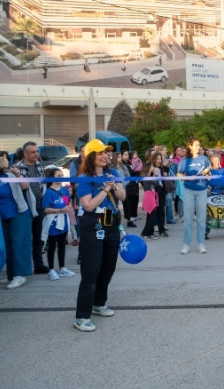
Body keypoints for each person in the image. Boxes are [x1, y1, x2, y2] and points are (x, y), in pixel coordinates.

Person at [73, 139, 126, 332]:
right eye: (100, 153)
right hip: (93, 225)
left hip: (111, 224)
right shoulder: (84, 179)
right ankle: (81, 317)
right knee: (91, 270)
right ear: (90, 157)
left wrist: (115, 186)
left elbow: (123, 197)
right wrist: (105, 190)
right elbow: (88, 205)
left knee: (108, 267)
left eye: (106, 152)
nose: (105, 156)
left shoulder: (112, 174)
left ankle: (99, 303)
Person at [0, 156, 31, 290]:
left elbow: (25, 186)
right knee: (7, 246)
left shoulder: (9, 175)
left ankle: (20, 275)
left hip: (17, 213)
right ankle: (11, 274)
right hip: (0, 217)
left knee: (18, 245)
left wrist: (18, 175)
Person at [14, 141, 50, 274]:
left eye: (37, 151)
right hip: (25, 208)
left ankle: (39, 265)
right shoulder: (17, 168)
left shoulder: (40, 166)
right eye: (32, 152)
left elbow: (43, 185)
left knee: (38, 238)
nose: (36, 154)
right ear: (25, 153)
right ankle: (23, 267)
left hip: (39, 207)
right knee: (23, 238)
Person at [41, 168, 76, 281]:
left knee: (62, 245)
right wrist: (60, 210)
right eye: (58, 175)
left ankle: (62, 268)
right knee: (52, 246)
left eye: (62, 175)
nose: (61, 177)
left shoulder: (64, 190)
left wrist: (68, 206)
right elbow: (46, 209)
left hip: (63, 220)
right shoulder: (49, 192)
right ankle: (51, 269)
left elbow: (68, 202)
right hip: (53, 221)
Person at [177, 138, 211, 255]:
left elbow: (208, 173)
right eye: (196, 145)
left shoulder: (204, 159)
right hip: (189, 191)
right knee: (188, 219)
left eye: (199, 145)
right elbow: (179, 175)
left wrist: (207, 176)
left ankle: (201, 243)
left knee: (201, 219)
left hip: (202, 191)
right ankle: (186, 244)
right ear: (190, 146)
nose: (198, 147)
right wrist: (188, 178)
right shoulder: (184, 160)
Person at [206, 154, 224, 238]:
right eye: (215, 161)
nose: (217, 162)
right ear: (212, 162)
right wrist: (206, 188)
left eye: (218, 160)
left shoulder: (223, 171)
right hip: (212, 193)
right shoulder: (209, 172)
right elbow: (203, 181)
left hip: (222, 192)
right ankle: (205, 232)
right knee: (211, 213)